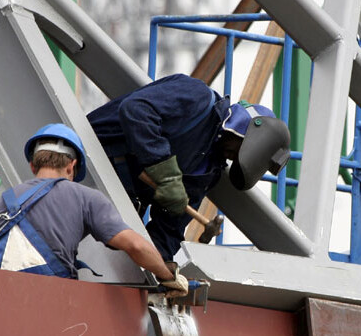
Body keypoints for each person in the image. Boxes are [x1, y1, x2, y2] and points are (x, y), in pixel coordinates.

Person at [88, 73, 291, 261]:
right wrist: (166, 175)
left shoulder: (207, 171)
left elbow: (169, 228)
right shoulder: (198, 98)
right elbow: (136, 110)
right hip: (86, 159)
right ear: (243, 133)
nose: (234, 158)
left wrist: (161, 265)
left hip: (108, 206)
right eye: (240, 153)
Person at [0, 123, 188, 297]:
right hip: (53, 302)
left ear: (33, 165)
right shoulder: (85, 197)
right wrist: (167, 276)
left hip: (0, 302)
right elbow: (136, 246)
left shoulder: (1, 204)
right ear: (71, 166)